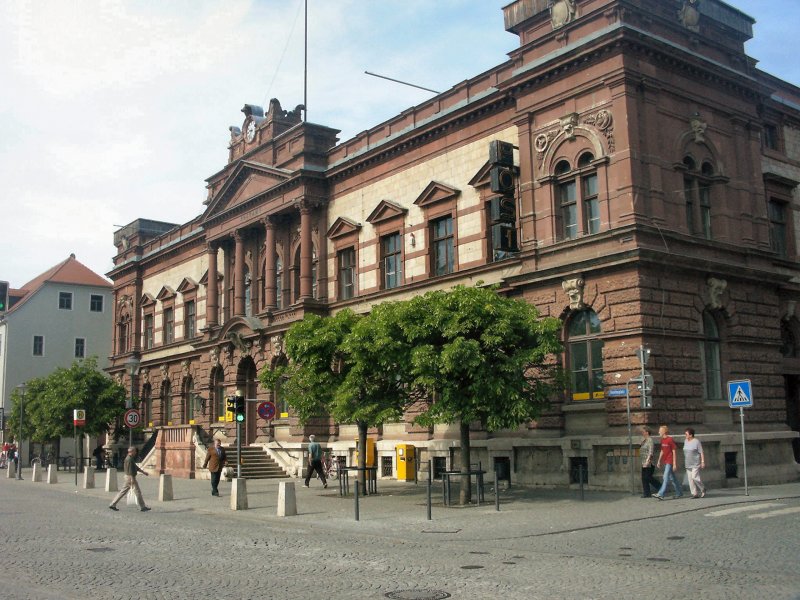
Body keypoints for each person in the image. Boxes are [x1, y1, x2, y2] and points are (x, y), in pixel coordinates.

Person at [109, 447, 150, 512]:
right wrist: (132, 479)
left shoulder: (130, 458)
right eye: (135, 451)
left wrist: (143, 472)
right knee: (137, 492)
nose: (136, 453)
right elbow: (130, 470)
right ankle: (143, 507)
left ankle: (113, 504)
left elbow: (135, 467)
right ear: (132, 452)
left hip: (128, 477)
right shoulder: (129, 459)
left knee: (123, 491)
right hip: (130, 477)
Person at [653, 425, 683, 500]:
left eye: (660, 431)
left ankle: (661, 494)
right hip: (665, 461)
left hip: (670, 461)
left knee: (665, 477)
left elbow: (674, 451)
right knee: (673, 478)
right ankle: (679, 492)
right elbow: (662, 451)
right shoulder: (662, 440)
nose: (658, 432)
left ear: (664, 432)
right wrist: (659, 461)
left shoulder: (670, 440)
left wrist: (674, 464)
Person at [683, 427, 706, 498]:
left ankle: (703, 488)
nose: (685, 436)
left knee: (695, 477)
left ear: (691, 435)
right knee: (690, 480)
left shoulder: (696, 441)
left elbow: (701, 452)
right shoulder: (685, 441)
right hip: (688, 463)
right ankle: (694, 493)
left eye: (686, 434)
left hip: (695, 463)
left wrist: (702, 461)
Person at [639, 427, 662, 498]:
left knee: (648, 477)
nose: (642, 433)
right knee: (644, 478)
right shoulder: (644, 440)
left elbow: (650, 451)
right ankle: (646, 493)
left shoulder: (650, 440)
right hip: (643, 462)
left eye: (643, 432)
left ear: (647, 432)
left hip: (649, 463)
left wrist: (647, 461)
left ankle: (660, 487)